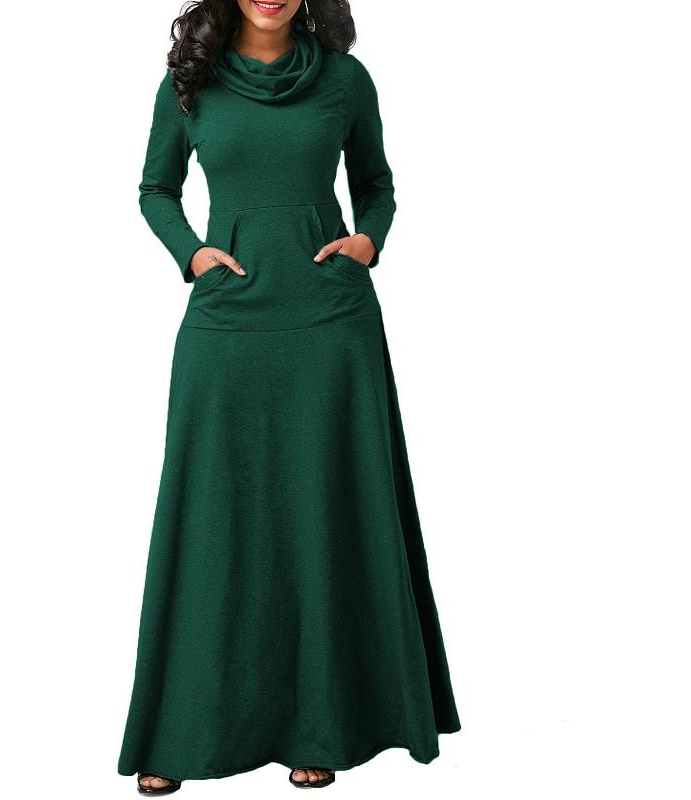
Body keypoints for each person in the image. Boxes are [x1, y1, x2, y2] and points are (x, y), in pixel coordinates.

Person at [118, 0, 461, 794]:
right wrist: (193, 254)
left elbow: (376, 184)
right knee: (211, 516)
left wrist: (368, 241)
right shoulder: (188, 83)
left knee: (324, 510)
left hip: (330, 321)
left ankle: (322, 725)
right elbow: (155, 189)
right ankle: (180, 734)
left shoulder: (344, 80)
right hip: (226, 323)